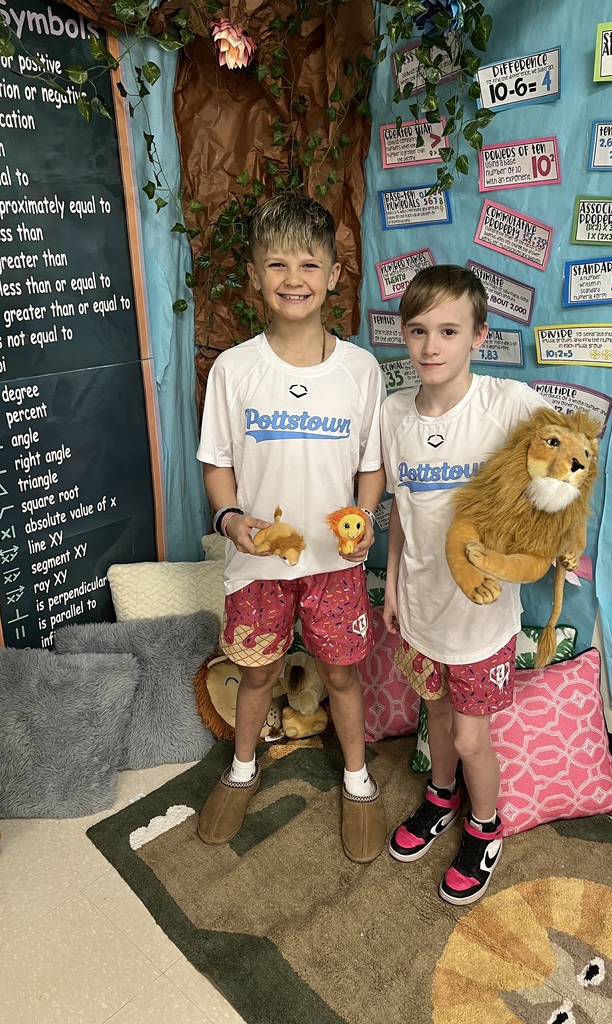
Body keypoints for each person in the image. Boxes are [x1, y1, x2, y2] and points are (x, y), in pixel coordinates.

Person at [196, 192, 387, 863]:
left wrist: (365, 520)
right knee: (256, 675)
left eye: (309, 264)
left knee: (341, 677)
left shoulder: (360, 370)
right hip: (258, 565)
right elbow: (217, 463)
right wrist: (229, 518)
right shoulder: (234, 369)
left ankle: (358, 780)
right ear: (255, 275)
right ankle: (242, 767)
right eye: (277, 264)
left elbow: (370, 467)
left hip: (336, 565)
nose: (293, 278)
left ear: (334, 273)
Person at [380, 264, 551, 904]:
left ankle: (485, 827)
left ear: (479, 335)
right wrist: (391, 584)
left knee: (470, 737)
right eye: (419, 330)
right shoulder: (393, 413)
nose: (431, 346)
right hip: (421, 608)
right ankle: (440, 796)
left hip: (482, 619)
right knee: (437, 716)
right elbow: (402, 509)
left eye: (449, 331)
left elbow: (562, 473)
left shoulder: (510, 404)